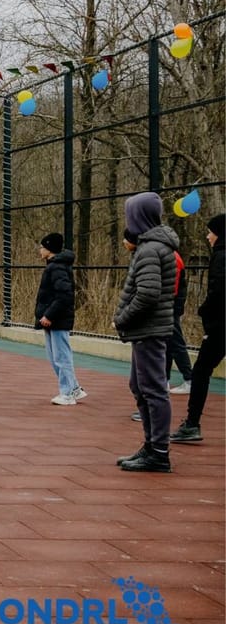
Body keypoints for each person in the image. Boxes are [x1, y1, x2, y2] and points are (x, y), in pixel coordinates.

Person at [114, 192, 179, 473]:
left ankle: (159, 452)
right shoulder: (151, 246)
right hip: (146, 329)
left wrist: (122, 319)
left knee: (153, 390)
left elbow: (148, 294)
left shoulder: (150, 249)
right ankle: (152, 445)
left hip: (149, 329)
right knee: (140, 386)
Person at [170, 213, 225, 443]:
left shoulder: (221, 256)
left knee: (201, 370)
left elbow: (219, 290)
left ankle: (192, 424)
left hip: (220, 325)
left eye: (210, 232)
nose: (208, 236)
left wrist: (205, 311)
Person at [35, 232, 86, 405]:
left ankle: (67, 393)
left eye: (42, 247)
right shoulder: (54, 266)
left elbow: (64, 295)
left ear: (49, 249)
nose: (40, 250)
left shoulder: (57, 268)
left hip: (58, 319)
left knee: (61, 357)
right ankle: (74, 388)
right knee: (54, 357)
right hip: (54, 319)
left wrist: (49, 315)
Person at [165, 249, 194, 394]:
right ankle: (164, 379)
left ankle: (189, 379)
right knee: (168, 344)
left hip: (171, 306)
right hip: (171, 305)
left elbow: (173, 287)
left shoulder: (172, 257)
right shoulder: (171, 255)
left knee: (175, 343)